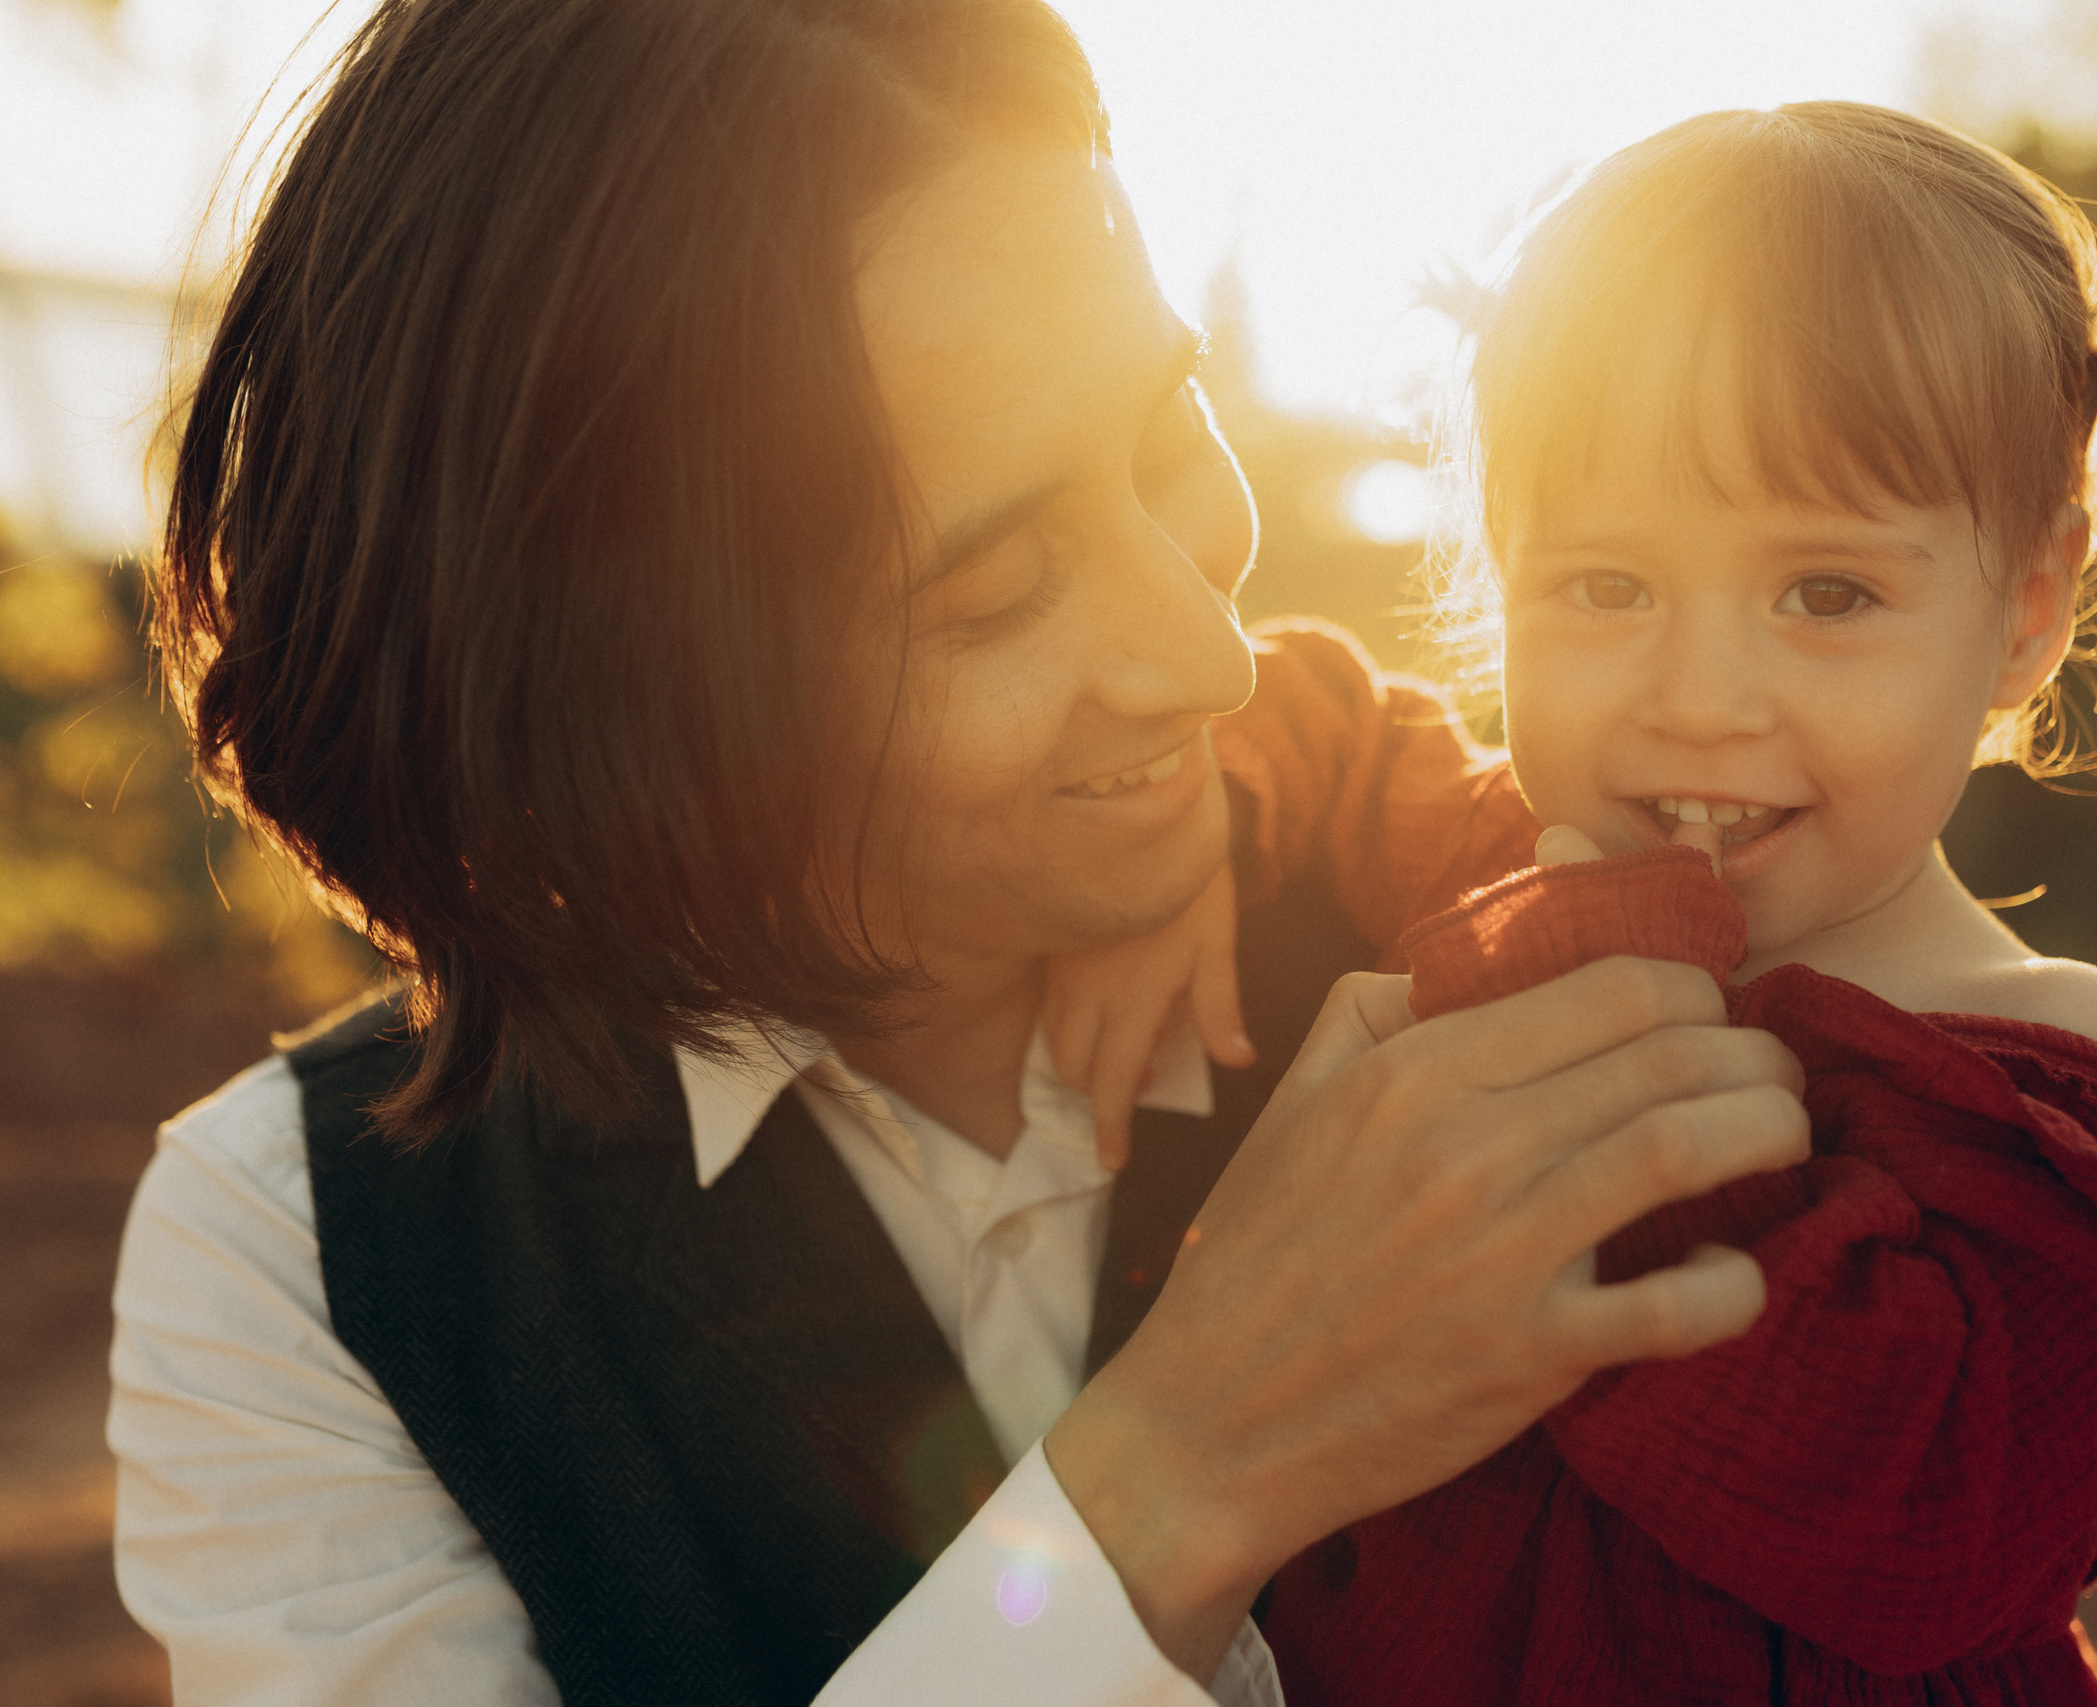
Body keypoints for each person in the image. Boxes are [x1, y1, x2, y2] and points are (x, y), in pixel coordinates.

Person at [108, 5, 1820, 1705]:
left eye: (1167, 434)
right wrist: (1190, 1466)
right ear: (621, 718)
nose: (1208, 659)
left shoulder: (1470, 914)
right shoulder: (306, 1256)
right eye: (998, 592)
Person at [1044, 102, 2097, 1703]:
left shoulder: (2045, 1071)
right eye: (1607, 586)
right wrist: (1187, 838)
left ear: (2024, 612)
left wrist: (1599, 980)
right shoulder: (1505, 848)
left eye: (1825, 594)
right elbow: (1320, 711)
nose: (1700, 697)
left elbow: (1920, 1511)